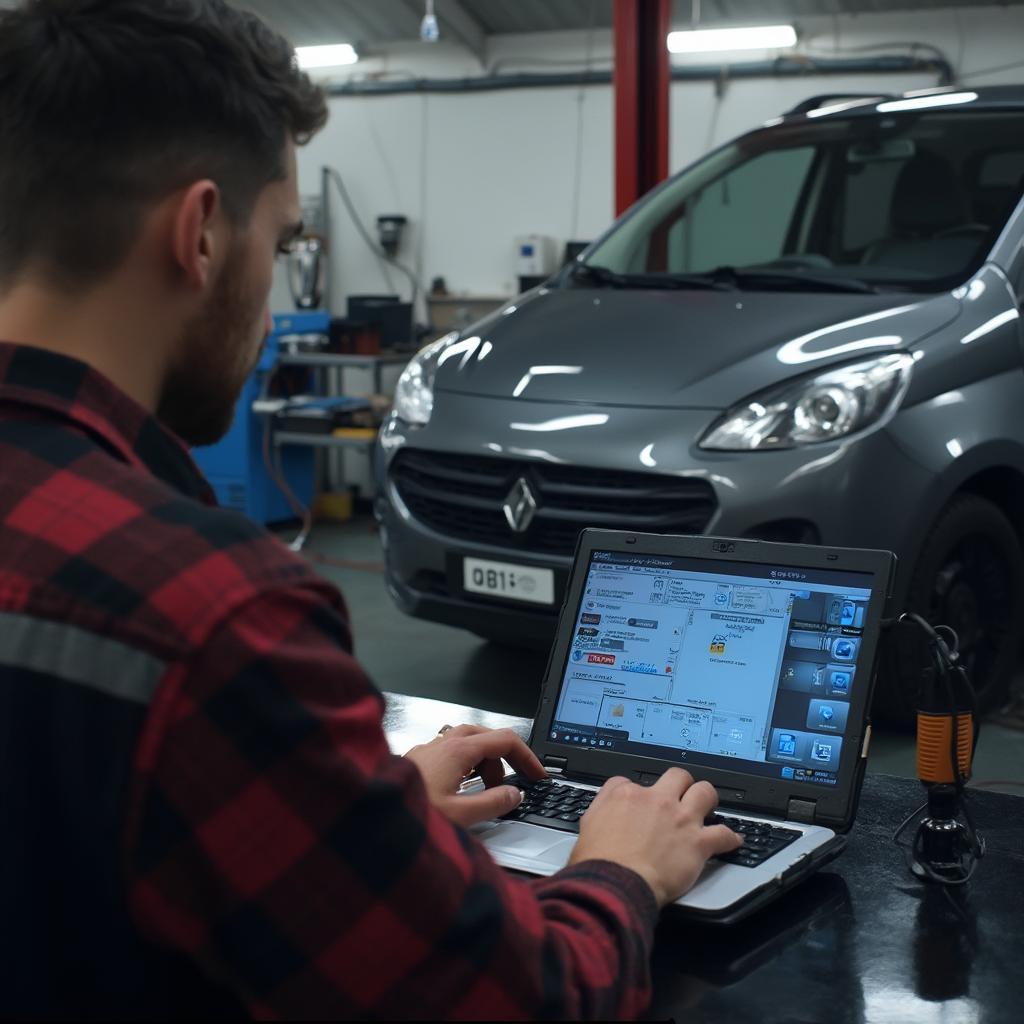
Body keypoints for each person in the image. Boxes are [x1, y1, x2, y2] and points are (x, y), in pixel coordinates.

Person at [0, 1, 742, 1018]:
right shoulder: (212, 611)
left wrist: (349, 806)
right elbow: (522, 1000)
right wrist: (619, 867)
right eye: (281, 237)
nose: (270, 290)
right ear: (201, 232)